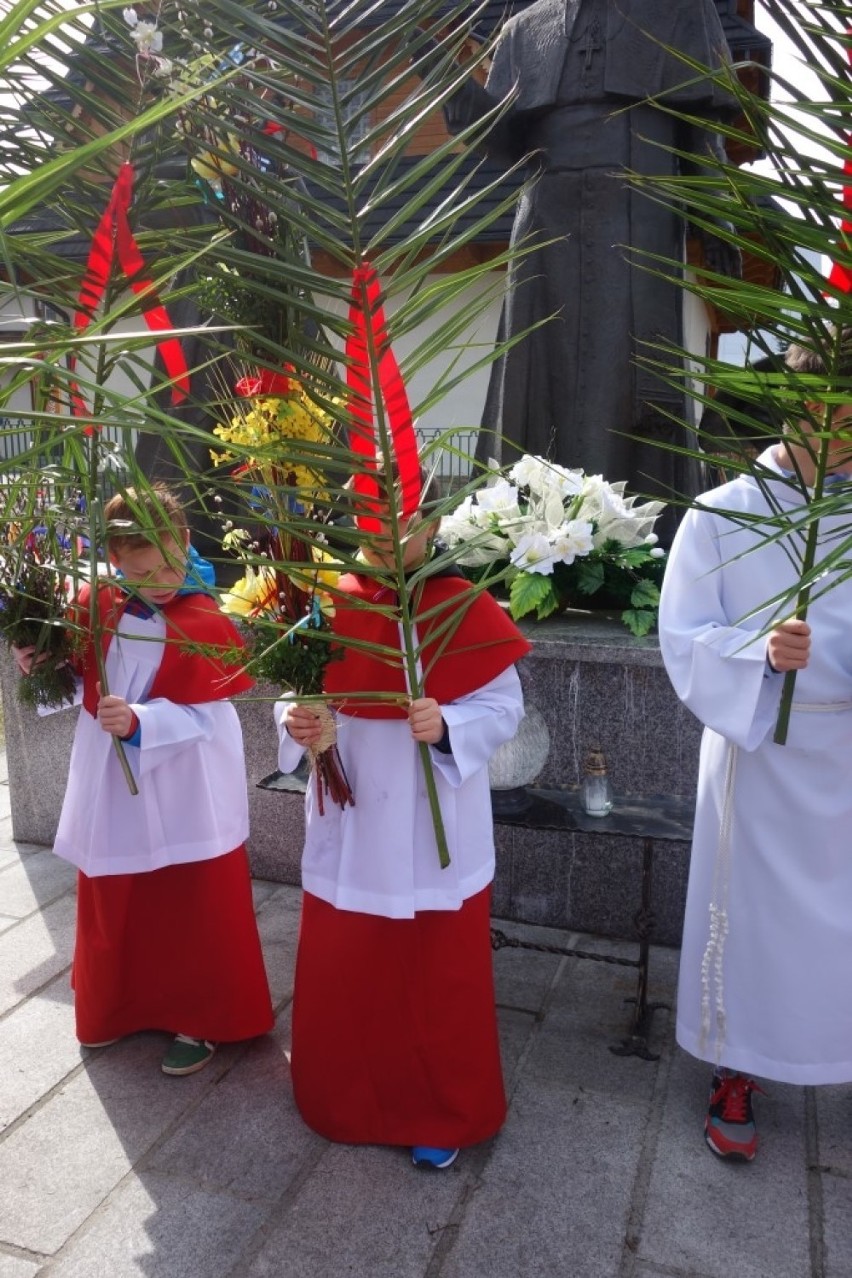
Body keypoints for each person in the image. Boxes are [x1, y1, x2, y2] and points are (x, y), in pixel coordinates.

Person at [275, 473, 532, 1169]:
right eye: (371, 521)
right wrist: (302, 723)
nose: (390, 537)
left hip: (429, 823)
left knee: (432, 974)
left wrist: (450, 723)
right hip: (355, 819)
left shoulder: (460, 603)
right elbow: (294, 689)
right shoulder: (332, 602)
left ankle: (439, 1107)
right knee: (350, 961)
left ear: (431, 527)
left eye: (406, 521)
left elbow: (504, 707)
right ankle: (342, 1096)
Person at [413, 0, 742, 538]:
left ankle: (637, 538)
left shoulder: (680, 12)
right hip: (546, 212)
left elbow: (700, 130)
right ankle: (525, 536)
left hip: (641, 206)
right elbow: (498, 134)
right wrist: (441, 73)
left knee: (631, 370)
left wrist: (719, 215)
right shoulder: (525, 28)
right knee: (537, 366)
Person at [658, 327, 852, 1161]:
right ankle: (738, 1063)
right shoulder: (725, 511)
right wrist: (760, 653)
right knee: (752, 922)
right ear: (804, 408)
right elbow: (683, 632)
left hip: (846, 744)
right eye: (838, 415)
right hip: (762, 746)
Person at [17, 485, 274, 1074]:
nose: (157, 580)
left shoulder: (205, 615)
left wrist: (143, 722)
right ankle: (119, 1004)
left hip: (188, 776)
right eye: (137, 570)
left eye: (165, 563)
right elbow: (77, 679)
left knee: (192, 895)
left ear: (184, 540)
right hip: (114, 774)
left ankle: (203, 1017)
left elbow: (210, 715)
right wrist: (41, 664)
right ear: (113, 562)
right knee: (117, 888)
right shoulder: (98, 601)